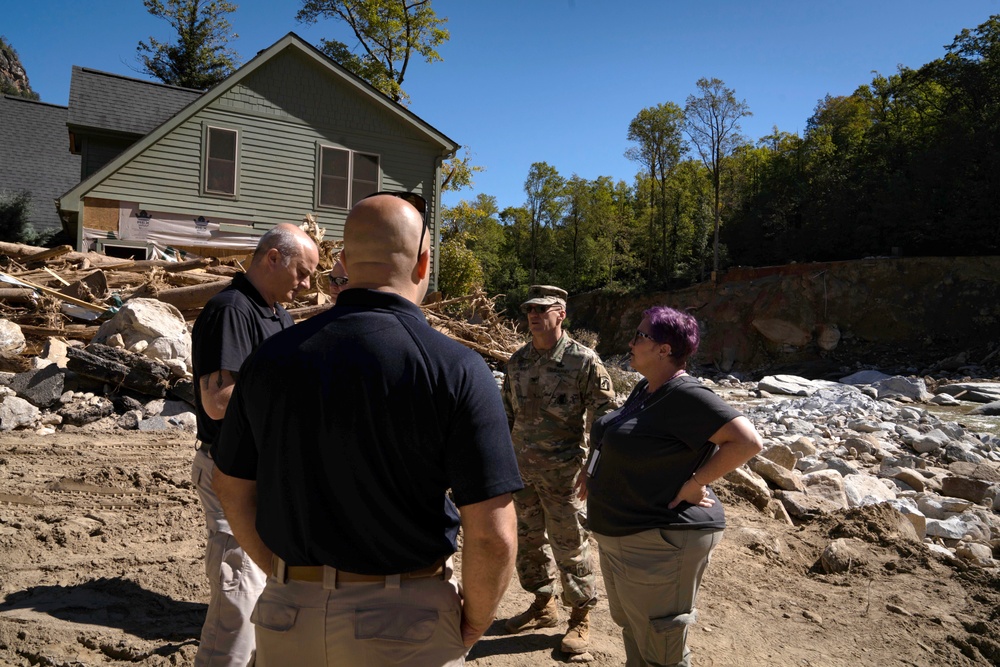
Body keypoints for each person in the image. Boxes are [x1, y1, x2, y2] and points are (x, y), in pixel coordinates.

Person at [212, 192, 522, 666]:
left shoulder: (268, 360)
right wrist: (475, 621)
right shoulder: (455, 367)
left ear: (343, 262)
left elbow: (231, 489)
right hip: (405, 623)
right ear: (423, 263)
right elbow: (492, 535)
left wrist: (283, 574)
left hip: (287, 619)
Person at [581, 306, 763, 667]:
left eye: (639, 336)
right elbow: (617, 436)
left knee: (661, 650)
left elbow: (748, 442)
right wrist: (591, 470)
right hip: (622, 533)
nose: (631, 343)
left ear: (665, 349)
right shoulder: (646, 389)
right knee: (635, 630)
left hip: (660, 540)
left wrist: (696, 483)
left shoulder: (685, 394)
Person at [190, 223, 319, 667]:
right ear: (273, 258)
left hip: (267, 472)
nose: (306, 285)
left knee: (269, 587)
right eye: (302, 273)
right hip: (231, 470)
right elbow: (219, 400)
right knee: (239, 594)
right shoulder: (231, 310)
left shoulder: (277, 316)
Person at [501, 285, 616, 656]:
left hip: (564, 475)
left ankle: (580, 617)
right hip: (521, 473)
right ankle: (542, 604)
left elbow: (605, 420)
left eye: (542, 309)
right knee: (527, 543)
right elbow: (505, 417)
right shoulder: (517, 361)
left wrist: (593, 469)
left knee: (571, 547)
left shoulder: (584, 361)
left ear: (560, 314)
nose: (533, 315)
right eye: (529, 310)